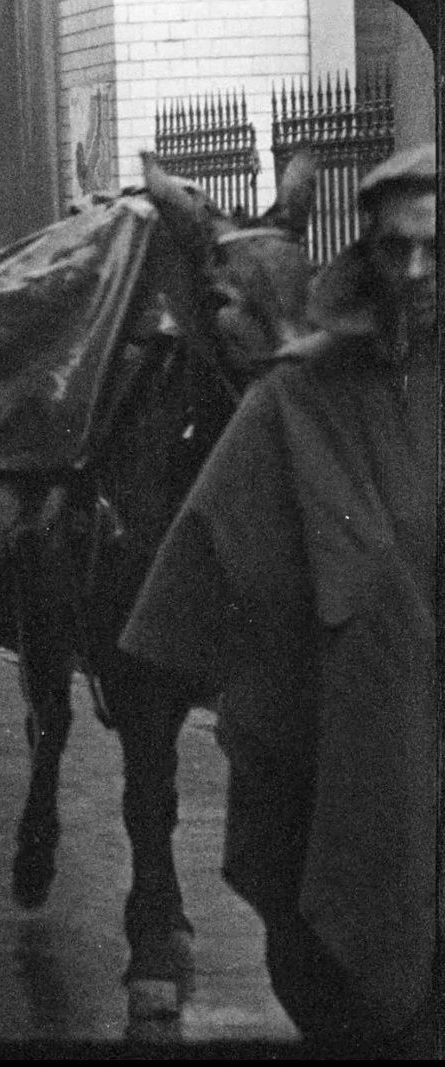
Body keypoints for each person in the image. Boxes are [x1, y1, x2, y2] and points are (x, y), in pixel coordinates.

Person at [120, 144, 439, 1057]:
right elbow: (197, 577)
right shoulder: (297, 397)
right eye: (393, 249)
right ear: (364, 254)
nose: (413, 271)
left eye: (434, 249)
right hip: (347, 751)